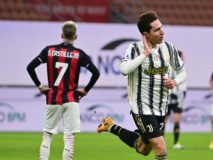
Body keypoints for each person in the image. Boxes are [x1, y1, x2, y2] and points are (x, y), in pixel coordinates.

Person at [97, 11, 186, 160]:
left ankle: (111, 126)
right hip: (141, 107)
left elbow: (182, 72)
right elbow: (124, 70)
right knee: (161, 148)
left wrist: (175, 81)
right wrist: (145, 54)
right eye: (157, 30)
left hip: (160, 108)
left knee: (143, 149)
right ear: (146, 34)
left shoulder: (169, 48)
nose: (162, 32)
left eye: (161, 27)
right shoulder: (134, 49)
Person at [26, 21, 100, 160]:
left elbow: (30, 67)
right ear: (75, 36)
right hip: (72, 99)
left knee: (47, 135)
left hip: (53, 97)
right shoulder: (79, 54)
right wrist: (86, 90)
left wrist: (39, 85)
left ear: (62, 35)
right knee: (69, 137)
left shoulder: (49, 50)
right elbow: (96, 73)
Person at [162, 50, 186, 149]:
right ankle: (160, 143)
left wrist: (184, 92)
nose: (183, 58)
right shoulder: (168, 67)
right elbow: (166, 80)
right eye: (181, 57)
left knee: (176, 120)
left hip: (178, 99)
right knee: (163, 122)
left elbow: (183, 82)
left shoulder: (183, 68)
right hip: (167, 98)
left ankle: (176, 143)